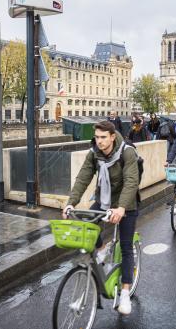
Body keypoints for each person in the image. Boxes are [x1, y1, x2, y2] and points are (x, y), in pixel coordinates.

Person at [63, 120, 139, 315]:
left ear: (112, 137)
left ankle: (124, 292)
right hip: (104, 200)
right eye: (96, 137)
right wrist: (71, 202)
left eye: (103, 137)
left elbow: (131, 181)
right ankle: (102, 249)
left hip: (126, 203)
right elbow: (83, 177)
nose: (99, 141)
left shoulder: (127, 152)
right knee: (86, 222)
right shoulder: (94, 153)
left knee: (126, 246)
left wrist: (121, 208)